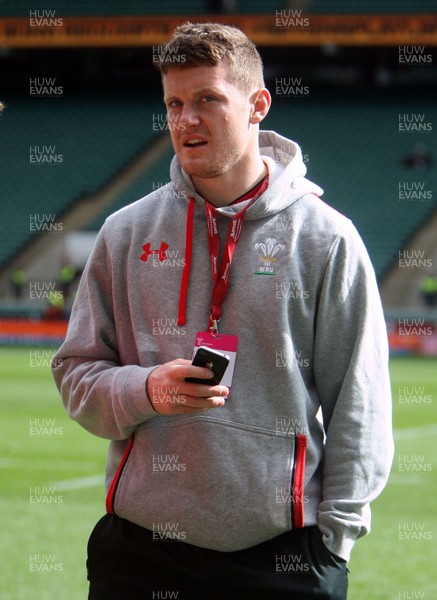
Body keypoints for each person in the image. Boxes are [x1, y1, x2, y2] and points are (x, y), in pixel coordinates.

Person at [52, 22, 393, 600]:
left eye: (208, 99)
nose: (186, 120)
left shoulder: (327, 239)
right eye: (174, 103)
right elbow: (75, 373)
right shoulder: (126, 232)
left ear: (257, 104)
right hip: (140, 552)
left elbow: (360, 403)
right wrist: (146, 390)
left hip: (282, 558)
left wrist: (333, 542)